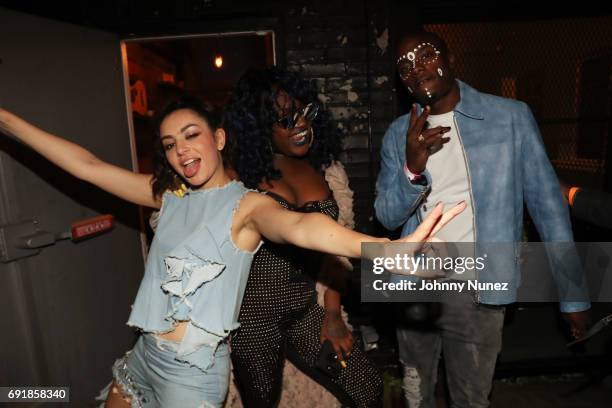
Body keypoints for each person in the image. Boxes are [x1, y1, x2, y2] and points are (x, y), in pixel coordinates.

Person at [0, 95, 464, 408]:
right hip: (142, 357)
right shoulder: (170, 196)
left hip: (191, 376)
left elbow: (304, 227)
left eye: (191, 134)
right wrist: (6, 119)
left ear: (218, 138)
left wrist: (379, 248)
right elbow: (87, 167)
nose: (181, 151)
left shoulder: (247, 206)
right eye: (169, 144)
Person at [374, 30, 591, 408]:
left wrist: (573, 297)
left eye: (425, 55)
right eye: (404, 65)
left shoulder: (510, 118)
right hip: (414, 287)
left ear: (450, 58)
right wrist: (411, 170)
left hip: (477, 287)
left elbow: (549, 210)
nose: (416, 68)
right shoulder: (397, 135)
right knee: (415, 396)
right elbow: (386, 217)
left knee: (472, 399)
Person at [223, 67, 381, 407]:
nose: (301, 125)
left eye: (304, 113)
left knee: (366, 387)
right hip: (253, 319)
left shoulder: (322, 169)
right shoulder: (237, 178)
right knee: (261, 401)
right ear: (259, 128)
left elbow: (334, 254)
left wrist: (334, 313)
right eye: (286, 119)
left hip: (304, 309)